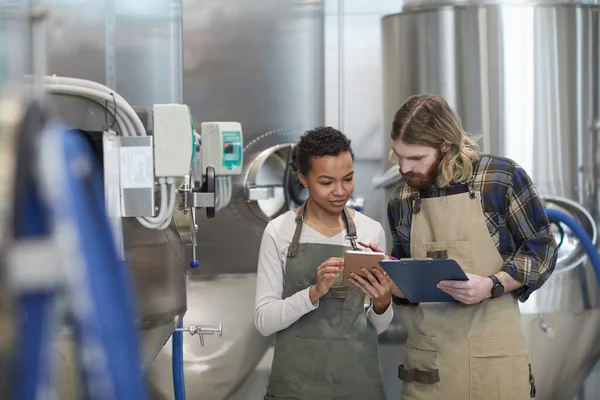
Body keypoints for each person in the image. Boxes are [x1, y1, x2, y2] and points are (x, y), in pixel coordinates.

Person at [378, 94, 558, 399]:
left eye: (416, 158)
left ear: (446, 144)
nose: (404, 169)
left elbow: (542, 250)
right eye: (399, 156)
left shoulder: (500, 179)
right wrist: (393, 282)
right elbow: (411, 290)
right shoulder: (402, 200)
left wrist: (492, 285)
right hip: (428, 366)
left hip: (493, 362)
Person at [254, 126, 393, 400]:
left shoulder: (370, 231)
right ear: (303, 178)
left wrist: (382, 303)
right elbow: (263, 321)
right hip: (295, 387)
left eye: (348, 179)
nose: (340, 191)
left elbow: (380, 326)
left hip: (358, 384)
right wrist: (313, 293)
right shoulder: (278, 231)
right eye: (327, 182)